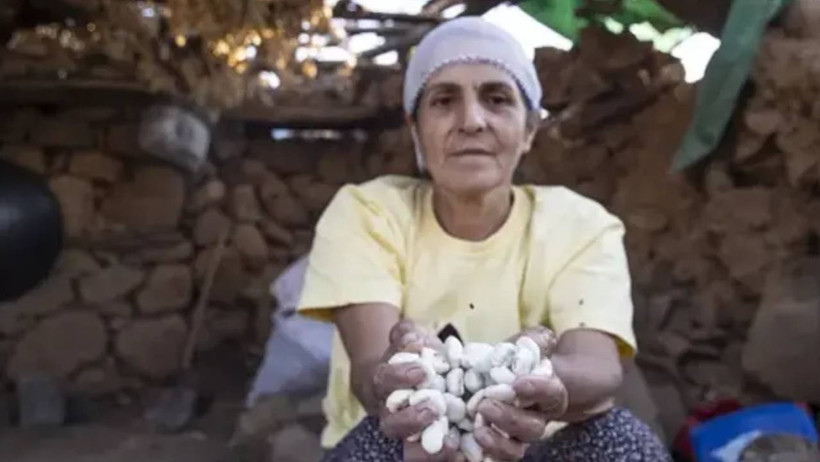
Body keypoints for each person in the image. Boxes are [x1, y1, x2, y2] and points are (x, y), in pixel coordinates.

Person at [297, 16, 670, 462]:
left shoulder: (580, 223)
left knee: (621, 440)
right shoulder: (368, 212)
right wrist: (400, 381)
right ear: (415, 130)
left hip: (533, 446)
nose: (472, 121)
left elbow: (598, 367)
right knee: (381, 439)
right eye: (443, 101)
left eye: (497, 99)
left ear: (529, 129)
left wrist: (538, 385)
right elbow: (369, 367)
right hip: (404, 443)